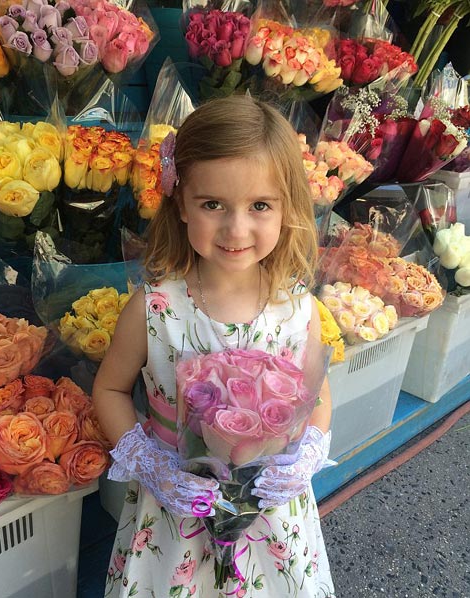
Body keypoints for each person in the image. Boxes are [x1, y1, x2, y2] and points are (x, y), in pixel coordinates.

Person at [93, 95, 335, 598]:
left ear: (286, 207)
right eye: (212, 205)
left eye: (260, 206)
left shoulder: (297, 308)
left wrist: (307, 454)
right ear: (180, 202)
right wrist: (152, 466)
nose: (236, 229)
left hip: (270, 515)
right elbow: (110, 389)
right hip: (178, 510)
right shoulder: (155, 309)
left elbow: (317, 394)